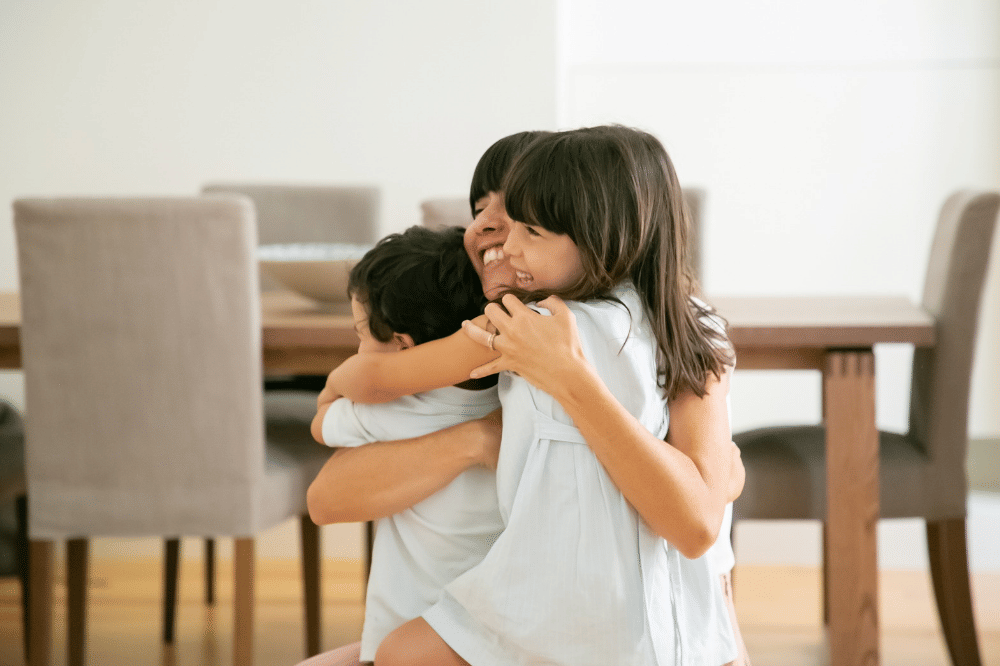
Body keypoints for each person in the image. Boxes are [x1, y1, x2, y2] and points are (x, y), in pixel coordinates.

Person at [323, 126, 747, 665]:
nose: (494, 237)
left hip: (561, 608)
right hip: (654, 628)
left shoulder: (529, 324)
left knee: (398, 653)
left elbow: (697, 523)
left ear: (597, 235)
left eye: (528, 227)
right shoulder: (689, 324)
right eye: (484, 213)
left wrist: (335, 393)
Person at [312, 226, 504, 664]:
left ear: (403, 345)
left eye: (362, 334)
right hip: (484, 641)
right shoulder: (508, 398)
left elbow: (322, 425)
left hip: (400, 641)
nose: (359, 346)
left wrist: (345, 380)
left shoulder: (394, 413)